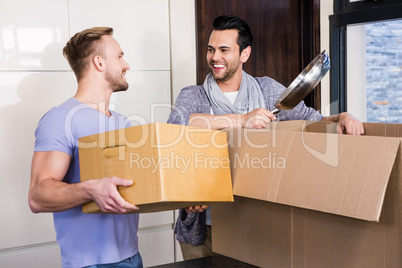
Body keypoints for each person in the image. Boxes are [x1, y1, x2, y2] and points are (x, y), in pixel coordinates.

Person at [167, 15, 364, 260]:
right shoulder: (193, 95)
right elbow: (177, 127)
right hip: (204, 227)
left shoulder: (268, 90)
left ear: (244, 54)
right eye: (211, 49)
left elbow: (311, 121)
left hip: (255, 227)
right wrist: (242, 119)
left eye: (224, 50)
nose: (215, 57)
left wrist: (342, 117)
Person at [28, 27, 143, 268]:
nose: (127, 64)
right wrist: (90, 190)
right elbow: (37, 196)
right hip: (91, 264)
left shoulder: (123, 122)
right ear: (99, 63)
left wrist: (186, 198)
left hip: (133, 256)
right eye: (120, 56)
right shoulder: (60, 119)